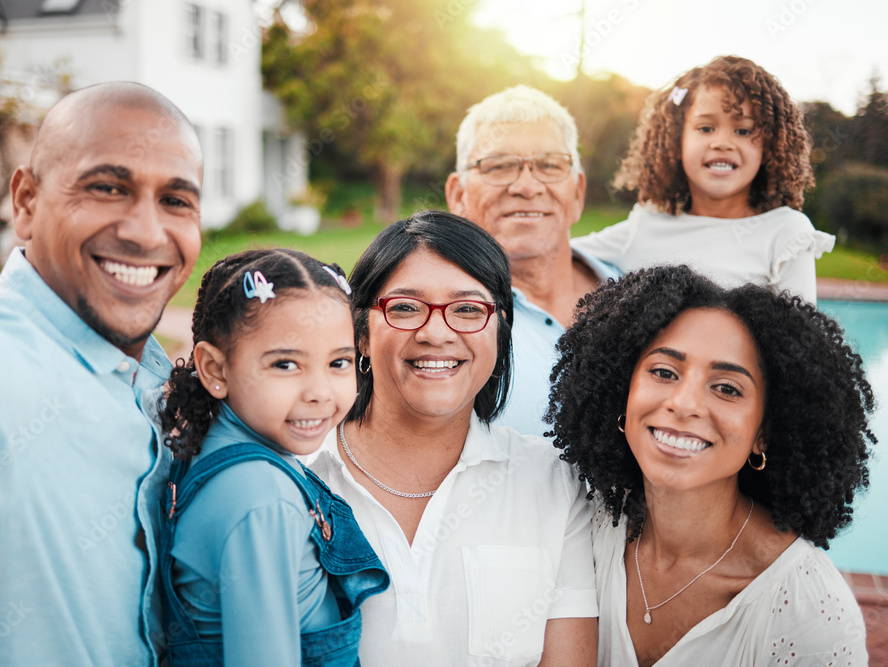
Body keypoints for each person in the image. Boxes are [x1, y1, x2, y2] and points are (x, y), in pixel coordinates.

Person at [0, 82, 203, 665]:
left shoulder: (168, 380)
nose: (145, 231)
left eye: (176, 201)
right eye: (107, 188)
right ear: (26, 202)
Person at [309, 210, 599, 666]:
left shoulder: (555, 486)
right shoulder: (297, 475)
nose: (437, 332)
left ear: (501, 334)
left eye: (468, 309)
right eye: (404, 307)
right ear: (360, 334)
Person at [548, 265, 874, 666]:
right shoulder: (584, 524)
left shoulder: (810, 612)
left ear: (764, 432)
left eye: (726, 388)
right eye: (664, 372)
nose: (683, 404)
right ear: (622, 393)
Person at [157, 249, 389, 666]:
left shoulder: (218, 450)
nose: (319, 391)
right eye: (285, 364)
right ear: (214, 369)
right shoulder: (263, 498)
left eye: (339, 362)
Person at [574, 55, 833, 303]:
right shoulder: (644, 227)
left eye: (743, 130)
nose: (722, 143)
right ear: (676, 141)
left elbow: (802, 342)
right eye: (705, 128)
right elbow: (556, 253)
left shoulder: (786, 233)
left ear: (769, 147)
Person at [445, 85, 619, 437]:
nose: (526, 186)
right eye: (499, 166)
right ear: (458, 195)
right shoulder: (439, 322)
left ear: (578, 194)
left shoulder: (641, 292)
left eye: (549, 165)